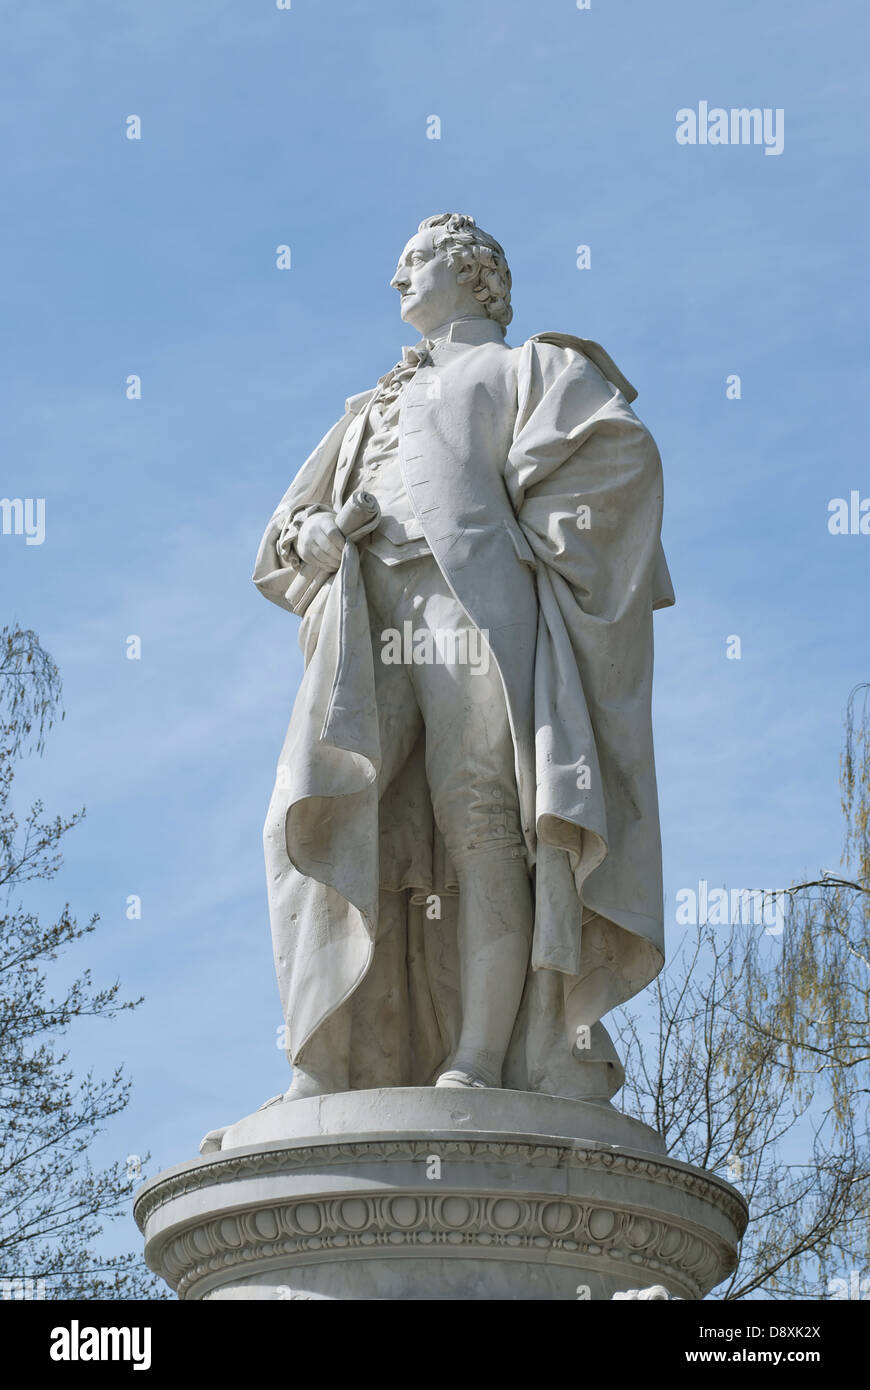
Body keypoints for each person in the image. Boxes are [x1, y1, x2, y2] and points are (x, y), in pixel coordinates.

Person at [253, 213, 674, 1102]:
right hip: (367, 616)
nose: (397, 277)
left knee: (481, 822)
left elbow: (618, 461)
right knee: (319, 815)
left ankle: (482, 1057)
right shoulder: (368, 406)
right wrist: (319, 534)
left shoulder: (533, 369)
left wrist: (527, 551)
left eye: (416, 259)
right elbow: (285, 538)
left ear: (476, 274)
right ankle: (327, 1054)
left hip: (470, 611)